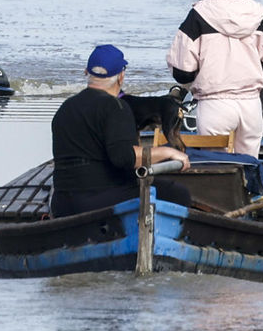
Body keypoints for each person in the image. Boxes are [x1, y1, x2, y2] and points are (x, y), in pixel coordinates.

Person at [50, 44, 191, 218]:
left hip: (61, 203)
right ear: (121, 77)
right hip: (97, 199)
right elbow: (124, 158)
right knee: (177, 193)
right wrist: (168, 152)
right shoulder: (116, 107)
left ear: (87, 72)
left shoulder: (65, 108)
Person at [166, 0, 263, 157]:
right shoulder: (258, 14)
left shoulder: (198, 15)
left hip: (214, 105)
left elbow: (182, 71)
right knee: (248, 167)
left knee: (216, 169)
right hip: (251, 106)